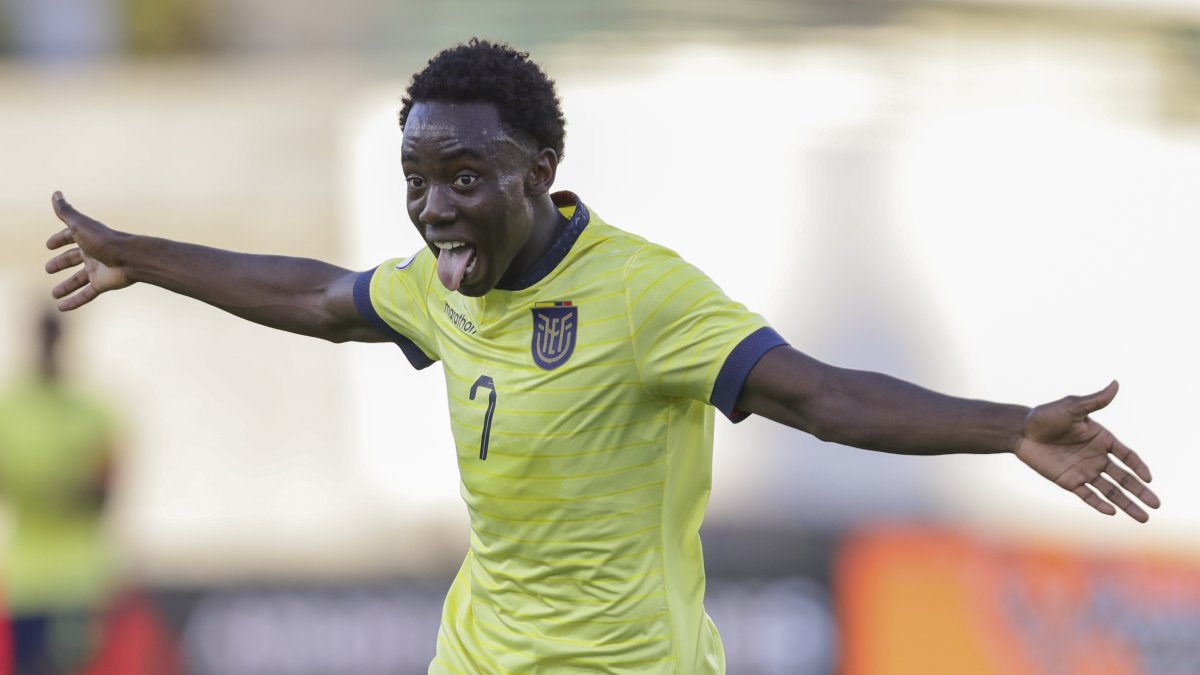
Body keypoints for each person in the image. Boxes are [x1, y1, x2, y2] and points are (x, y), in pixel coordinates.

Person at [43, 38, 1159, 674]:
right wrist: (142, 255)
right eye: (417, 180)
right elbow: (323, 298)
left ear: (540, 169)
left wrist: (1007, 426)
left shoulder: (644, 296)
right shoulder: (445, 286)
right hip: (479, 658)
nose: (434, 210)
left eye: (465, 179)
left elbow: (819, 396)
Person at [0, 310, 117, 674]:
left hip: (79, 578)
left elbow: (106, 490)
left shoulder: (91, 411)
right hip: (27, 579)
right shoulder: (11, 409)